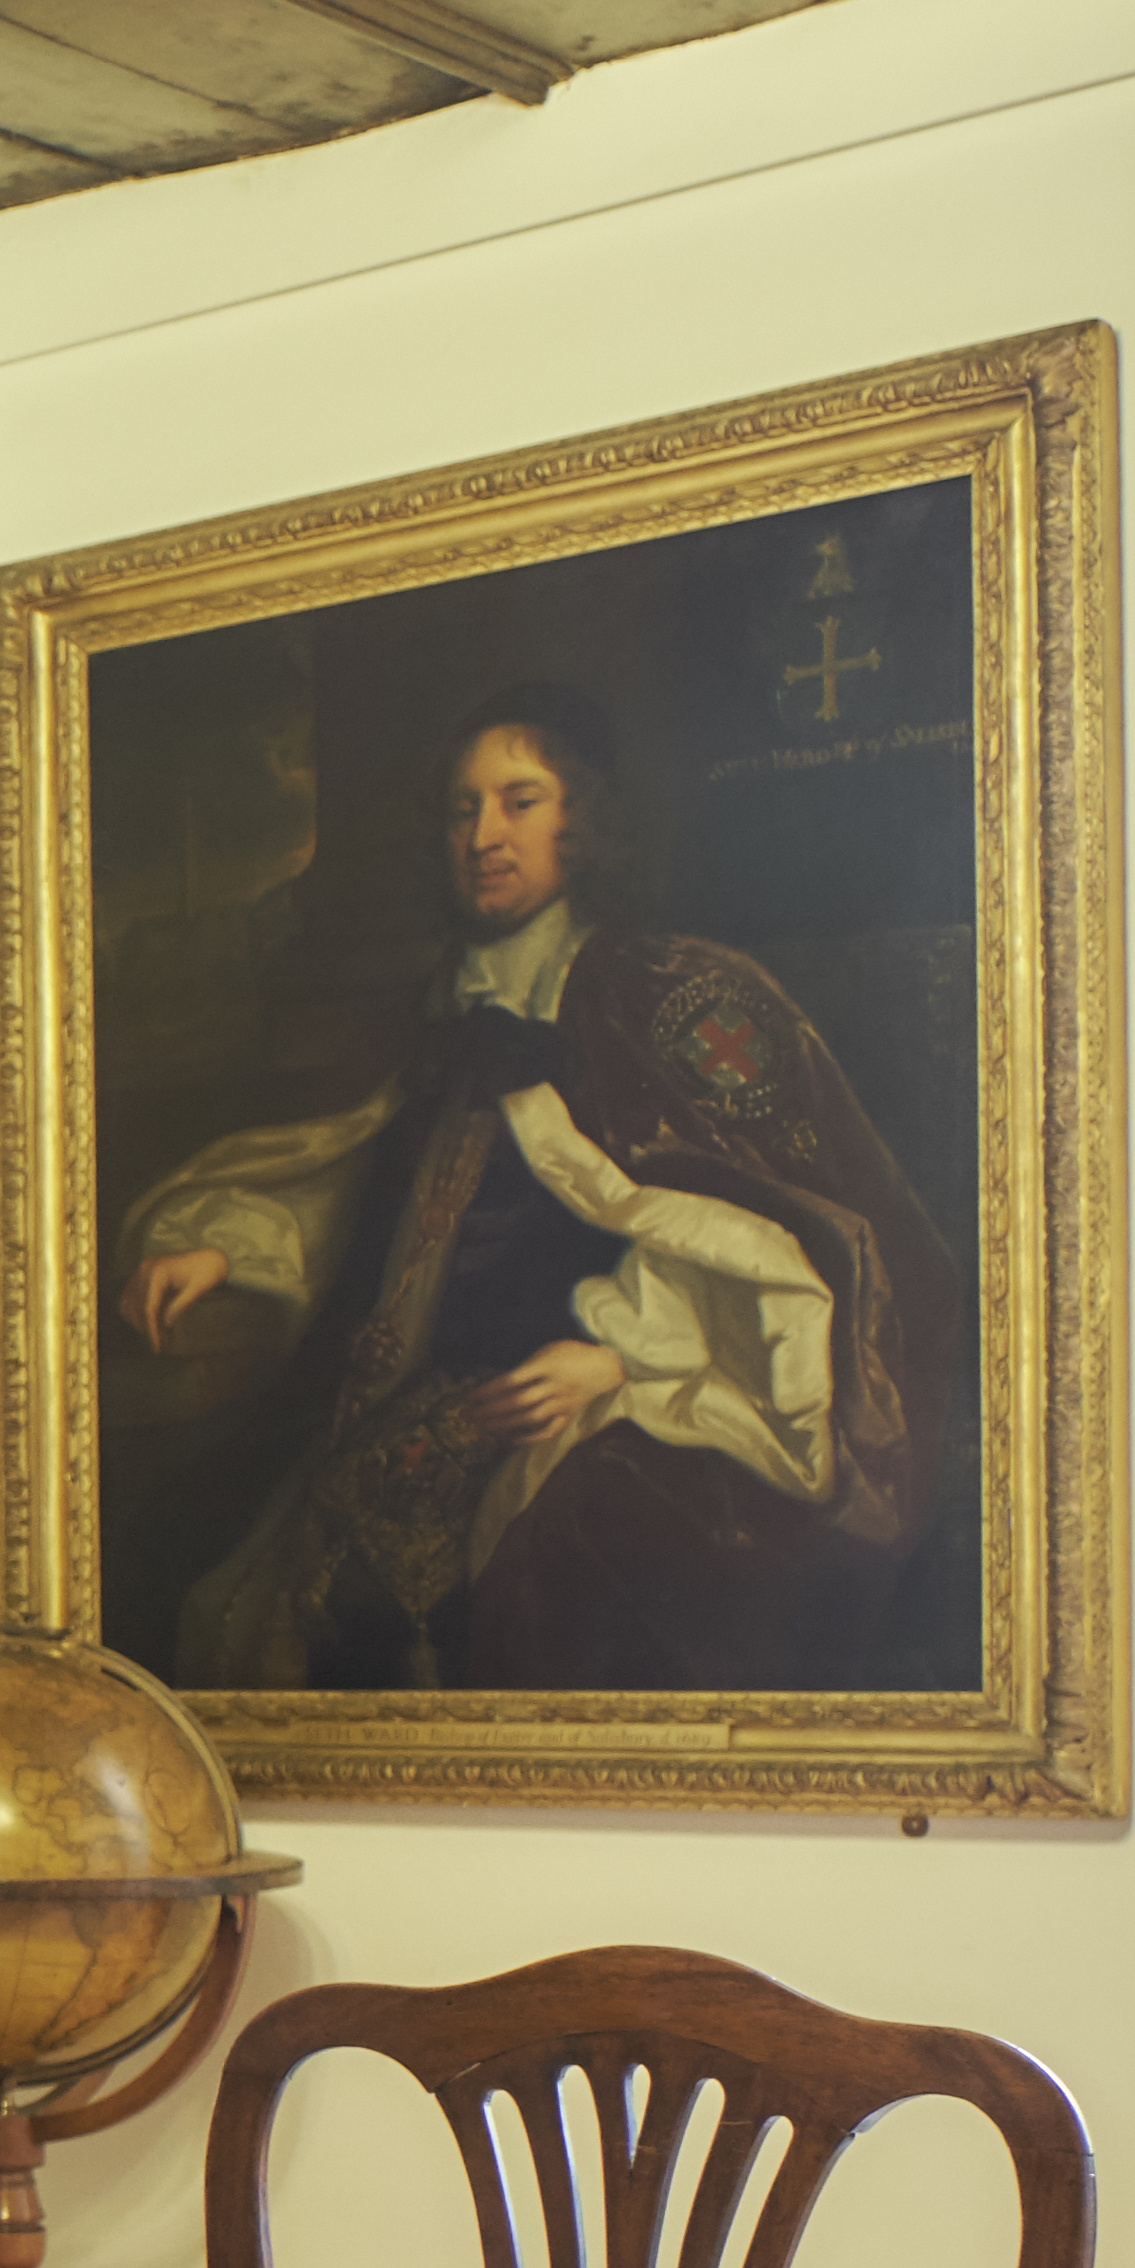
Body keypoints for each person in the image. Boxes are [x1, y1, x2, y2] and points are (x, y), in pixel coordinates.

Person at [116, 686, 957, 1692]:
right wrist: (231, 1241)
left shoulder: (666, 993)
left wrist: (621, 1363)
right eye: (462, 810)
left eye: (520, 801)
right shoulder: (455, 1007)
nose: (484, 835)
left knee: (539, 1575)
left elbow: (784, 1241)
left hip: (586, 1399)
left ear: (586, 820)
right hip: (397, 1402)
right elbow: (364, 1170)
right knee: (170, 1552)